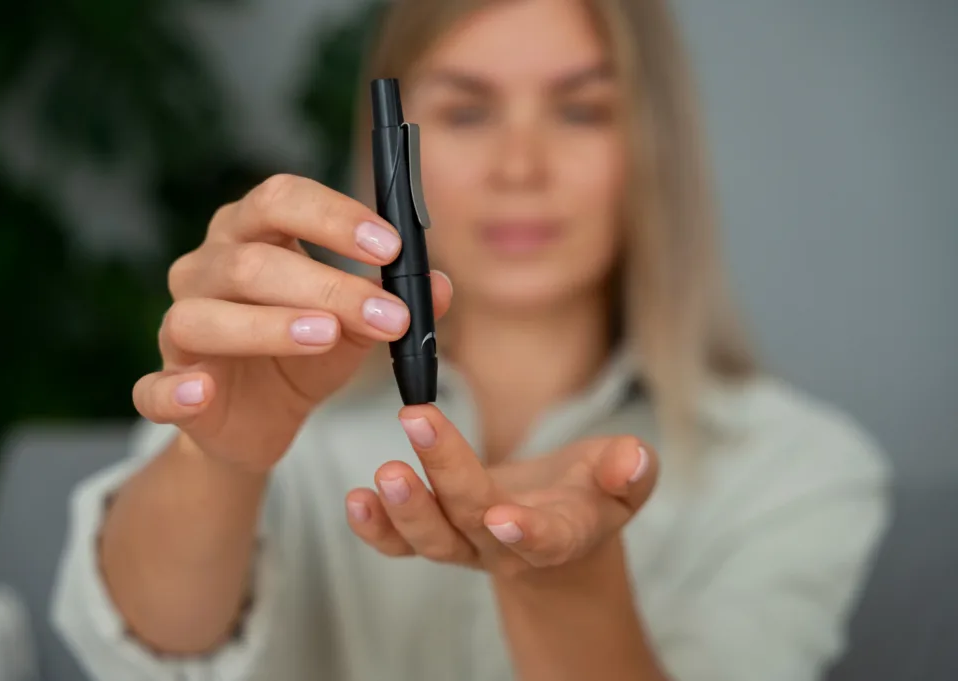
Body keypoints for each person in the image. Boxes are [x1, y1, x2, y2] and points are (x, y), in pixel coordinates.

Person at [50, 1, 891, 680]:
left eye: (581, 110)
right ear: (393, 155)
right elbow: (141, 650)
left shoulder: (798, 466)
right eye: (466, 110)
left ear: (651, 145)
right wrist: (219, 460)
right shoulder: (273, 380)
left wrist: (563, 584)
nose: (519, 167)